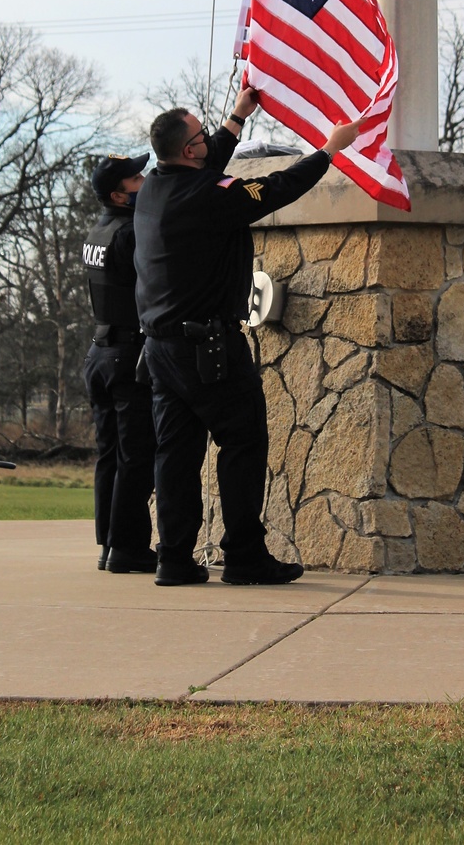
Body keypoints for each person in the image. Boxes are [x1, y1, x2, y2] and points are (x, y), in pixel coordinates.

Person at [134, 89, 361, 587]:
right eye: (200, 136)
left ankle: (173, 557)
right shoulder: (206, 199)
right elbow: (276, 189)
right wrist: (329, 150)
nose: (206, 143)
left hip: (161, 350)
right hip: (207, 349)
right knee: (242, 444)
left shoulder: (154, 188)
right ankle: (243, 556)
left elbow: (209, 160)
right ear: (189, 150)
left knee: (176, 454)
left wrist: (237, 116)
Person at [82, 153, 158, 573]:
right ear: (117, 194)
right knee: (135, 454)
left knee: (110, 454)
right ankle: (127, 548)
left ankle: (109, 544)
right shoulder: (131, 232)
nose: (144, 181)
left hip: (100, 351)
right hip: (127, 353)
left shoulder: (99, 230)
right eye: (135, 179)